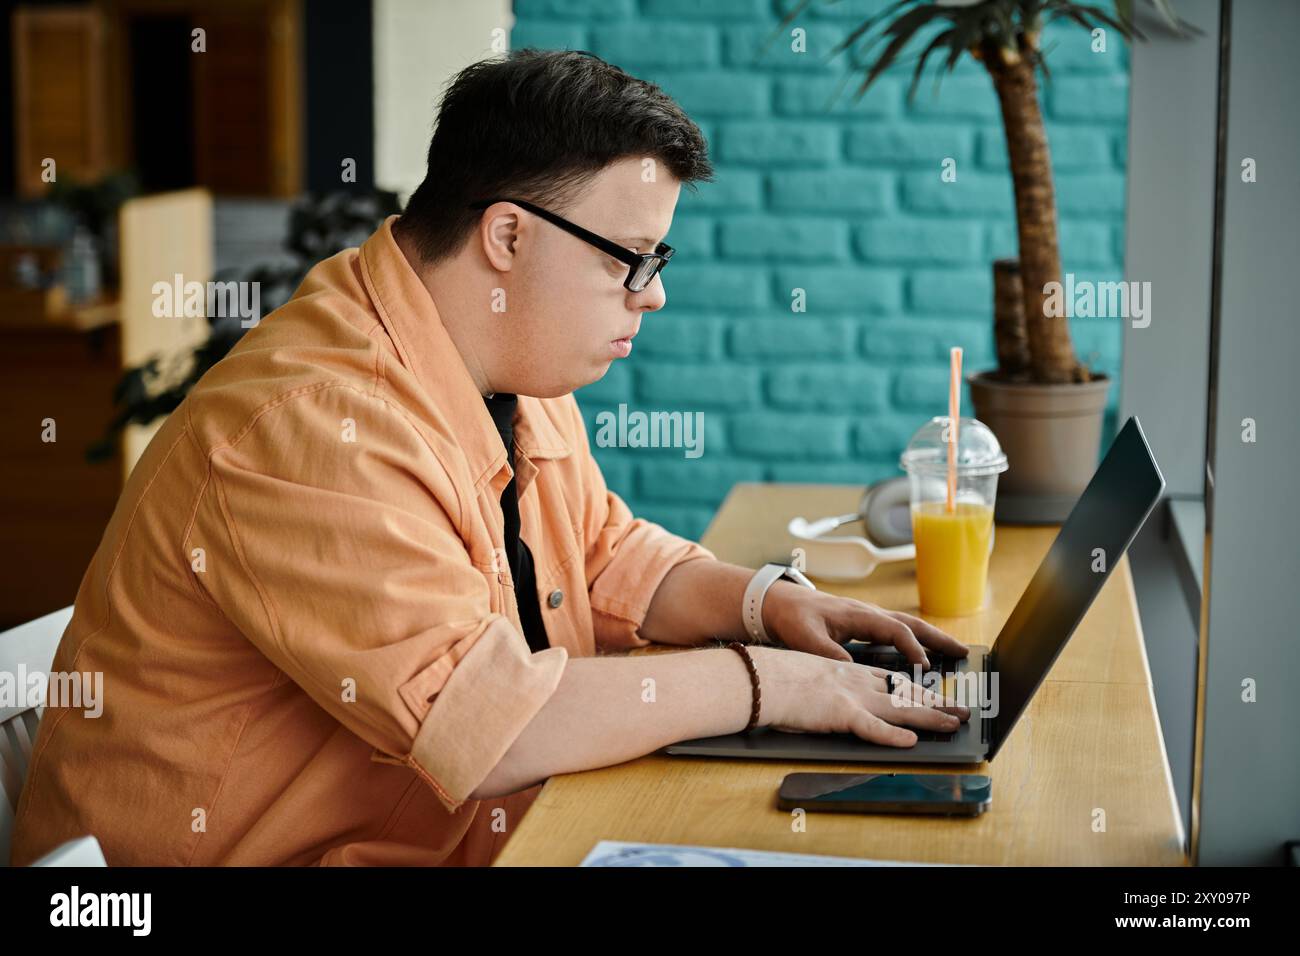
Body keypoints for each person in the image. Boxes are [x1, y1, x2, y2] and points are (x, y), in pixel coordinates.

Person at [11, 49, 968, 868]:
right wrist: (771, 684)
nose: (652, 294)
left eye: (659, 261)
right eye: (630, 257)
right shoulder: (311, 426)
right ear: (507, 234)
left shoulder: (506, 364)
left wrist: (767, 606)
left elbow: (599, 554)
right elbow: (494, 724)